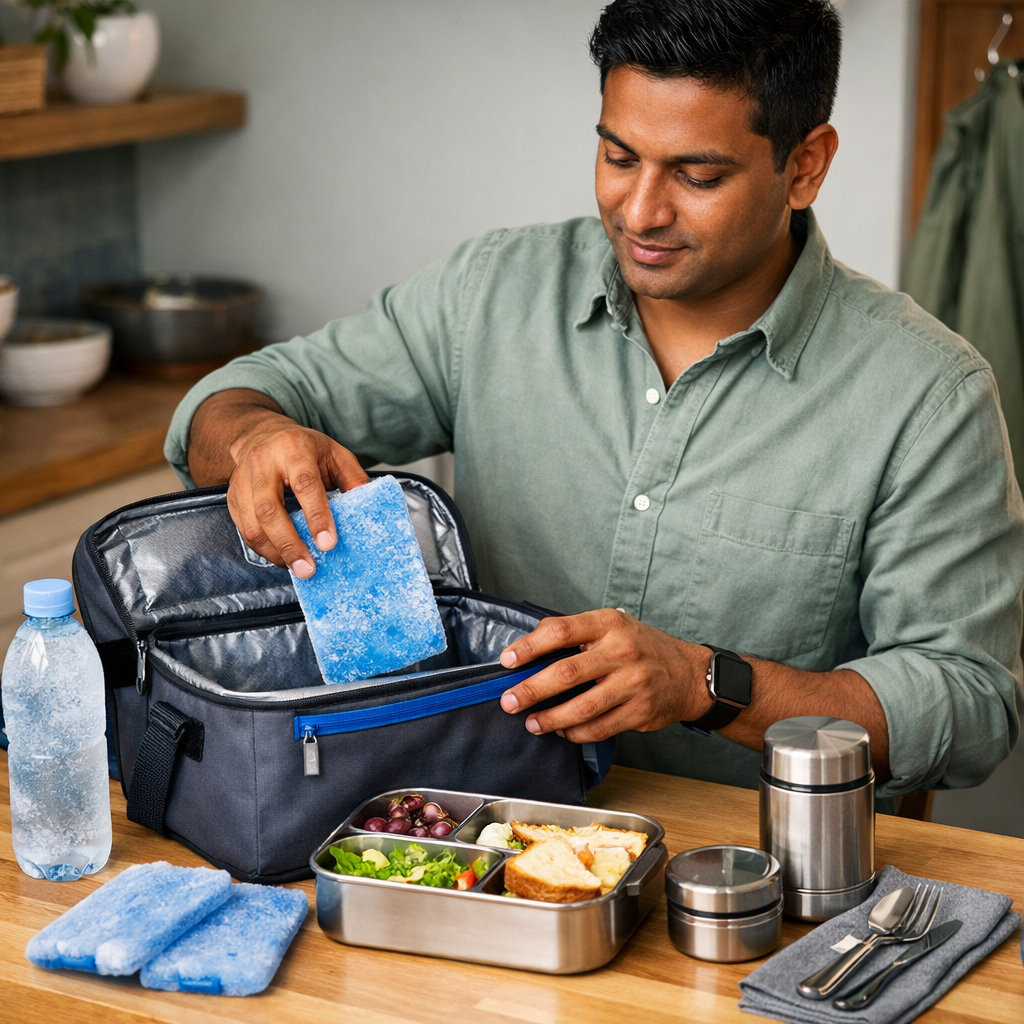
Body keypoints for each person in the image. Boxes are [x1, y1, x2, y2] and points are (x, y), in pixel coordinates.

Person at [165, 0, 1023, 804]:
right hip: (481, 834)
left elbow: (971, 703)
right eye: (618, 157)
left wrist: (703, 684)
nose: (640, 210)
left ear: (805, 166)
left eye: (697, 174)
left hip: (755, 879)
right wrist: (259, 438)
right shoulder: (492, 293)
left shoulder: (926, 393)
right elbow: (231, 403)